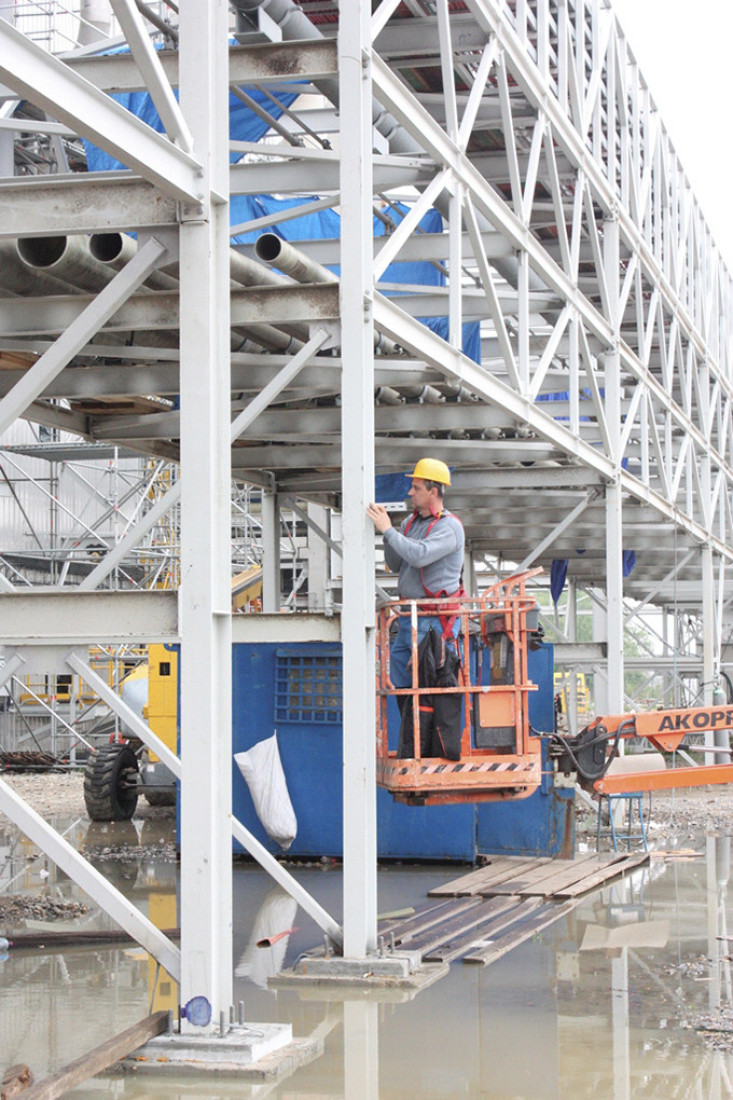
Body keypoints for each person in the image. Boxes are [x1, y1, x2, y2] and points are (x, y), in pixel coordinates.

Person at [367, 458, 465, 758]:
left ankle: (433, 747)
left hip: (435, 619)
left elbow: (420, 556)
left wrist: (388, 531)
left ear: (433, 491)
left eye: (416, 487)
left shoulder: (449, 528)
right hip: (410, 616)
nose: (410, 492)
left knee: (428, 679)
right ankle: (412, 740)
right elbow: (397, 562)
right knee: (401, 674)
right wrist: (391, 534)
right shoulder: (411, 523)